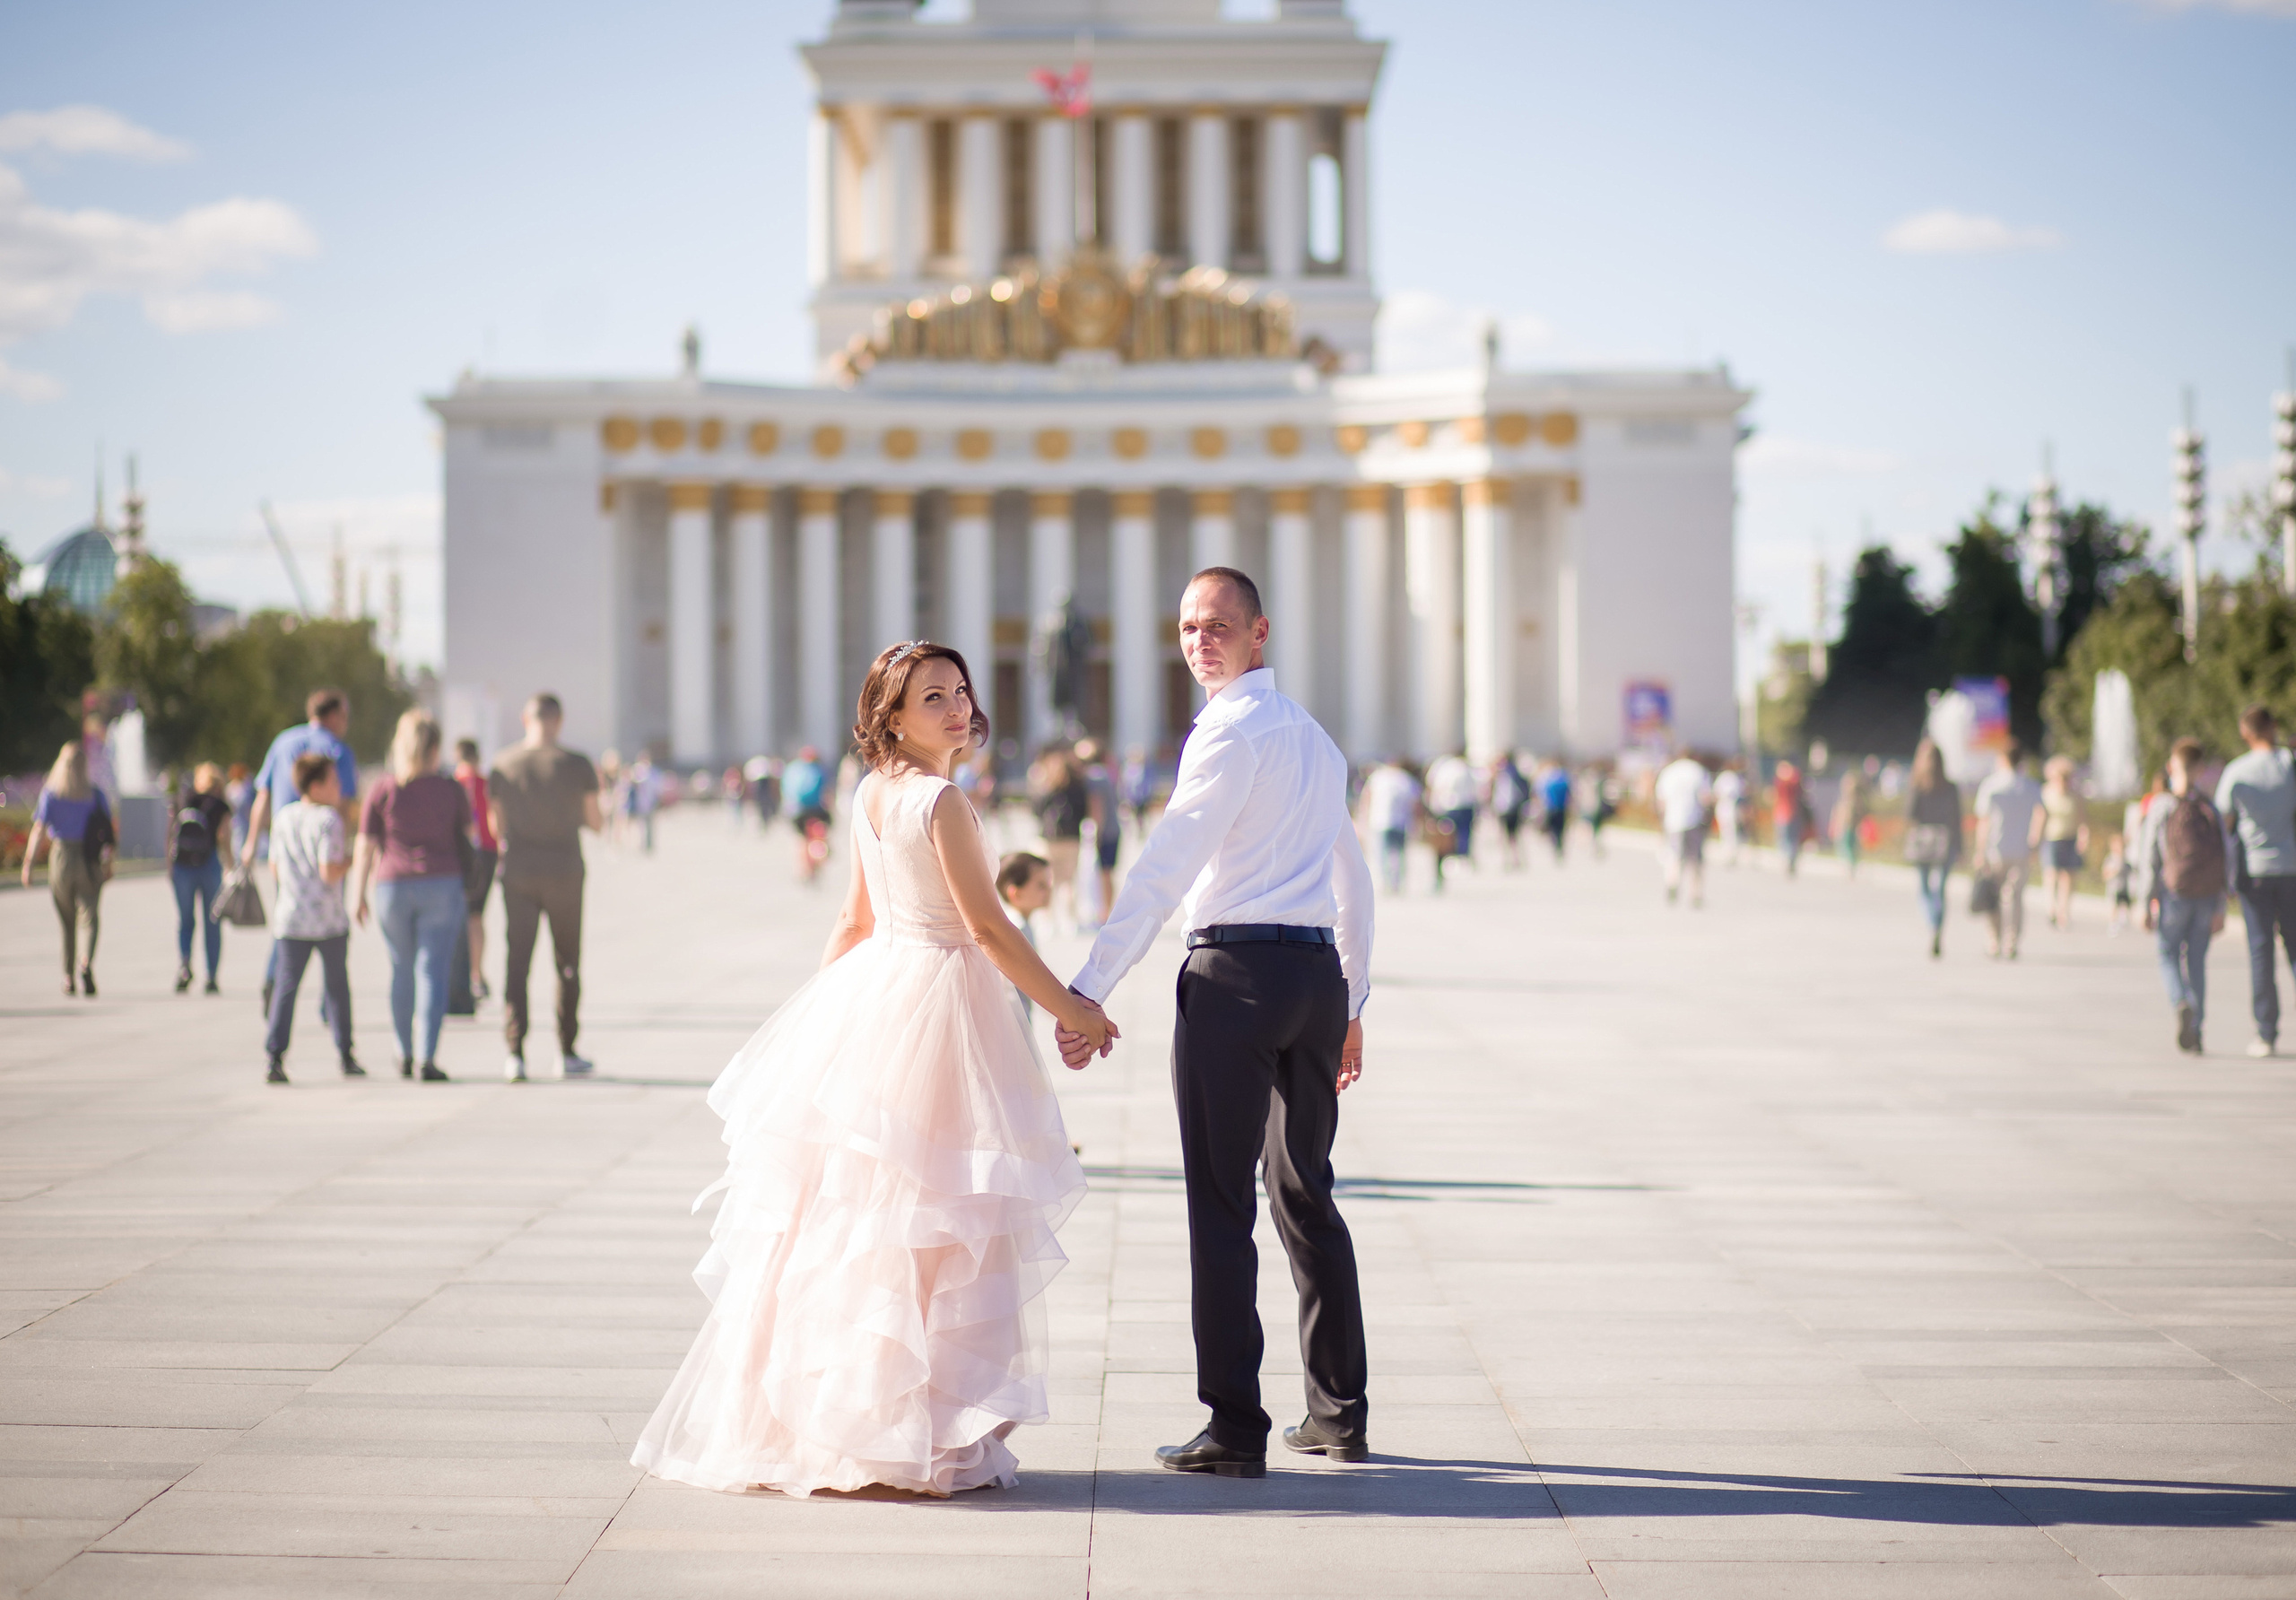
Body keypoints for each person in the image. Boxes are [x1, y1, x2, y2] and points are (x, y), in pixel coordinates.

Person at [631, 641, 1095, 1498]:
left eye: (960, 692)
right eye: (932, 698)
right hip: (942, 1003)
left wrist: (824, 1031)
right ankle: (907, 1428)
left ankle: (857, 1421)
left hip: (881, 993)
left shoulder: (868, 795)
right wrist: (1074, 1008)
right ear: (892, 717)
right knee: (932, 1224)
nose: (957, 709)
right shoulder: (942, 801)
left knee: (862, 1225)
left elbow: (851, 921)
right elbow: (989, 929)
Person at [1056, 566, 1374, 1480]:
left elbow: (1163, 867)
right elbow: (1350, 877)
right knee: (1305, 1189)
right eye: (1189, 626)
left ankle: (1235, 1424)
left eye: (1218, 627)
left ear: (1258, 633)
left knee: (1223, 1203)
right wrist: (1351, 999)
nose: (1200, 640)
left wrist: (1089, 985)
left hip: (1236, 975)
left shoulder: (1227, 732)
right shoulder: (1313, 740)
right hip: (1311, 975)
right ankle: (1337, 1410)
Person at [353, 710, 474, 1082]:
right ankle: (426, 1057)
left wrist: (357, 893)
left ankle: (402, 1052)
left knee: (400, 969)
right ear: (436, 748)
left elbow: (365, 844)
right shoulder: (451, 788)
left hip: (392, 887)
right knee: (432, 971)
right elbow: (468, 837)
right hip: (442, 883)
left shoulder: (383, 787)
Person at [487, 694, 602, 1083]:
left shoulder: (503, 764)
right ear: (560, 720)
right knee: (567, 962)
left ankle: (515, 1053)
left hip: (518, 870)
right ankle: (566, 1051)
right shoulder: (578, 764)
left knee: (517, 961)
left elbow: (495, 827)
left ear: (526, 718)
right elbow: (596, 821)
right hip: (565, 870)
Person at [241, 690, 360, 1019]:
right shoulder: (338, 751)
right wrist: (345, 850)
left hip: (287, 846)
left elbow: (262, 795)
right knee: (330, 927)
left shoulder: (282, 742)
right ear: (333, 715)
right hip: (325, 846)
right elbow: (346, 805)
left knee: (289, 919)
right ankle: (330, 1005)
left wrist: (251, 841)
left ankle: (273, 980)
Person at [263, 752, 361, 1084]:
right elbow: (329, 870)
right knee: (336, 988)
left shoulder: (283, 817)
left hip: (291, 918)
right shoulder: (328, 820)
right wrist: (352, 861)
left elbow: (274, 866)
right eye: (334, 781)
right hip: (327, 919)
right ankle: (346, 1053)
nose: (340, 787)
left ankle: (275, 1056)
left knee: (287, 987)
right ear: (317, 786)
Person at [2217, 703, 2296, 1058]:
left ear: (2245, 733)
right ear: (2273, 727)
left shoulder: (2237, 771)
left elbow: (2223, 820)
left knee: (2261, 951)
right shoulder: (2289, 765)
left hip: (2254, 871)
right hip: (2292, 868)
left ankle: (2266, 1033)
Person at [2145, 737, 2229, 1055]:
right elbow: (2227, 854)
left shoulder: (2162, 805)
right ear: (2200, 769)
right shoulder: (2210, 807)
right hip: (2207, 894)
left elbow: (2149, 855)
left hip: (2173, 893)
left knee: (2167, 952)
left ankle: (2180, 1001)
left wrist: (2144, 900)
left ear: (2171, 766)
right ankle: (2198, 1030)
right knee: (2197, 960)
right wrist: (2222, 901)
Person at [22, 741, 113, 997]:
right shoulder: (94, 794)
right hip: (89, 858)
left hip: (61, 856)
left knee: (67, 921)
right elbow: (108, 832)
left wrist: (28, 864)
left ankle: (68, 977)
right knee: (90, 917)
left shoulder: (52, 794)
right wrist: (109, 862)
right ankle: (86, 963)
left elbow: (39, 829)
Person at [1973, 739, 2043, 961]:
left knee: (1993, 896)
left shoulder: (1992, 785)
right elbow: (2043, 813)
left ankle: (1994, 941)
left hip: (1995, 849)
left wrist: (1979, 850)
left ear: (2002, 759)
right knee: (2015, 898)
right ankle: (2012, 943)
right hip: (2022, 850)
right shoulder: (2031, 786)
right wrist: (2036, 840)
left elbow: (1983, 821)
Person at [169, 761, 233, 994]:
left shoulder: (183, 799)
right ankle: (212, 976)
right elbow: (224, 836)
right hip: (209, 865)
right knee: (212, 922)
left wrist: (170, 866)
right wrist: (231, 866)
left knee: (186, 921)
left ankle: (185, 964)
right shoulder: (221, 805)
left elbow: (171, 832)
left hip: (182, 867)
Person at [1904, 738, 1963, 960]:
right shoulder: (1950, 787)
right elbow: (1956, 819)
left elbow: (1910, 815)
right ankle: (1937, 927)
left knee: (1925, 889)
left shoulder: (1917, 785)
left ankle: (1932, 924)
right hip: (1945, 841)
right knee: (1940, 889)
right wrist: (1960, 847)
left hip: (1923, 841)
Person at [453, 738, 498, 1001]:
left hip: (458, 853)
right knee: (477, 917)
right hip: (486, 852)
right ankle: (476, 975)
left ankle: (459, 976)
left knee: (459, 917)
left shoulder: (452, 784)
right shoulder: (486, 784)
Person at [1654, 750, 1713, 908]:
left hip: (1673, 821)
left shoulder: (1668, 772)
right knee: (1695, 859)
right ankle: (1696, 892)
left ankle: (1672, 882)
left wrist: (1662, 822)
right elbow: (1706, 798)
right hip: (1694, 820)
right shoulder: (1698, 771)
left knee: (1674, 855)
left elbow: (1661, 801)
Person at [996, 850, 1052, 1016]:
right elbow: (1036, 979)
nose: (1049, 891)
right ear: (1016, 893)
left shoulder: (1022, 924)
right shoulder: (1016, 929)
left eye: (1049, 884)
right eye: (1041, 885)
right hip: (1013, 1017)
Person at [2038, 755, 2090, 930]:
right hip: (2051, 838)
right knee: (2051, 874)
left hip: (2070, 837)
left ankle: (2064, 911)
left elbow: (2082, 819)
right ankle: (2051, 908)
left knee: (2068, 877)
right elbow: (2040, 817)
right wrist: (2035, 838)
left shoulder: (2075, 795)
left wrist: (2084, 837)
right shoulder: (2046, 793)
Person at [1075, 737, 1121, 926]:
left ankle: (1104, 913)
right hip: (1114, 828)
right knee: (1107, 873)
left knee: (1103, 873)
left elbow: (1097, 807)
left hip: (1105, 831)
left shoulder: (1093, 776)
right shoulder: (1104, 773)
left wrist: (1096, 833)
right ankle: (1106, 912)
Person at [1357, 757, 1420, 892]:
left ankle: (1386, 881)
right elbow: (1415, 803)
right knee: (1399, 853)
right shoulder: (1405, 779)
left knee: (1382, 853)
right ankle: (1396, 882)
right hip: (1401, 821)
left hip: (1379, 821)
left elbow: (1367, 797)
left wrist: (1363, 817)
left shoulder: (1377, 777)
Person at [1424, 750, 1477, 890]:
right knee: (1463, 834)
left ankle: (1449, 861)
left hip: (1448, 806)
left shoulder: (1445, 768)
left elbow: (1437, 788)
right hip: (1464, 806)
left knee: (1447, 838)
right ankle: (1461, 857)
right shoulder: (1464, 768)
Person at [784, 744, 830, 881]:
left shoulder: (792, 769)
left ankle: (802, 869)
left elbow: (786, 790)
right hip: (815, 809)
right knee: (817, 838)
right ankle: (816, 864)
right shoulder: (818, 769)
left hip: (797, 811)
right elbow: (825, 792)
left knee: (801, 840)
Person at [1488, 752, 1528, 870]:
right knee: (1507, 835)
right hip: (1504, 807)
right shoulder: (1502, 774)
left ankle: (1514, 859)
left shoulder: (1511, 774)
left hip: (1511, 807)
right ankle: (1508, 859)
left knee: (1513, 835)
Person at [1832, 770, 1870, 879]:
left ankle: (1851, 866)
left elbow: (1857, 814)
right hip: (1847, 826)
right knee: (1846, 847)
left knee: (1849, 847)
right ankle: (1849, 866)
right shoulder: (1846, 799)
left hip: (1851, 826)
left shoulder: (1854, 800)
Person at [1772, 760, 1806, 877]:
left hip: (1783, 814)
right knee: (1792, 840)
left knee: (1785, 840)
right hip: (1794, 813)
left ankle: (1787, 862)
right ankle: (1791, 862)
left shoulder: (1782, 782)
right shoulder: (1795, 781)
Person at [1712, 761, 1746, 867]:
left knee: (1729, 832)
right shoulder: (1732, 778)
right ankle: (1729, 854)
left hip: (1727, 807)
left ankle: (1730, 854)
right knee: (1729, 832)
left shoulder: (1728, 777)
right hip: (1728, 807)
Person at [1538, 761, 1573, 863]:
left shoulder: (1548, 780)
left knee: (1553, 830)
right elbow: (1569, 794)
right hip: (1562, 808)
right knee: (1560, 830)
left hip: (1550, 808)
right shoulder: (1564, 779)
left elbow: (1542, 795)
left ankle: (1555, 848)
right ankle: (1560, 847)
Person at [2104, 832, 2133, 935]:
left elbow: (2130, 870)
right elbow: (2105, 872)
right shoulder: (2110, 859)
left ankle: (2123, 920)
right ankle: (2112, 923)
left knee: (2125, 904)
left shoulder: (2125, 859)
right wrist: (2112, 873)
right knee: (2114, 906)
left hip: (2124, 887)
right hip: (2113, 887)